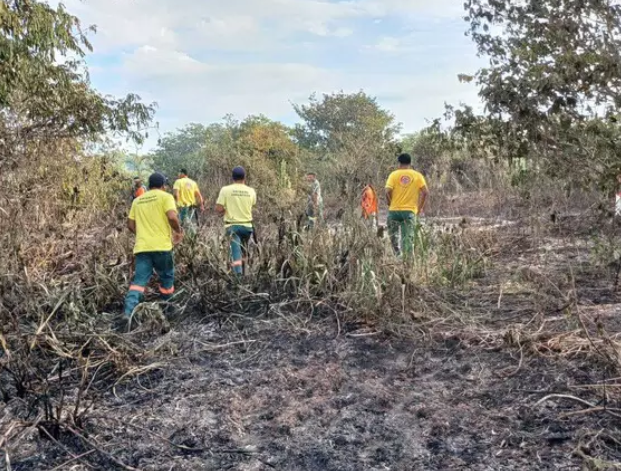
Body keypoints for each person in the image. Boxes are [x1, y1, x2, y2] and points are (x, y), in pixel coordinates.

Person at [123, 172, 184, 321]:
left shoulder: (137, 200)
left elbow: (130, 224)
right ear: (163, 185)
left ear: (149, 186)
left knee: (139, 281)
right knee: (166, 277)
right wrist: (178, 231)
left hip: (142, 247)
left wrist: (142, 234)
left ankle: (128, 312)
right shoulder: (166, 197)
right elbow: (171, 216)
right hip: (162, 247)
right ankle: (168, 308)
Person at [215, 166, 257, 275]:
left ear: (232, 177)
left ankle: (238, 279)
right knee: (244, 252)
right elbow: (252, 204)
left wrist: (225, 210)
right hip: (247, 227)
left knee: (235, 253)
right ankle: (245, 273)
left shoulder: (225, 190)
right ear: (244, 177)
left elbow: (218, 208)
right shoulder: (251, 191)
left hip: (232, 227)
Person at [385, 153, 428, 258]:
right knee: (408, 239)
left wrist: (390, 202)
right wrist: (420, 208)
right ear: (410, 163)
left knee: (393, 237)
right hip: (409, 212)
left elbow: (387, 191)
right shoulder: (417, 175)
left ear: (399, 163)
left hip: (394, 211)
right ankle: (407, 262)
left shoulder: (393, 175)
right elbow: (425, 192)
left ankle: (397, 257)